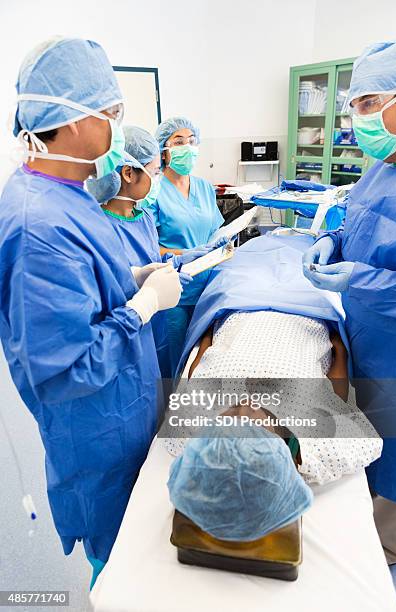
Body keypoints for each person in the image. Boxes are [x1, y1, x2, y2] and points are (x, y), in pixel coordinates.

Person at [0, 37, 183, 588]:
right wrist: (142, 308)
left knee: (141, 539)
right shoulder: (37, 223)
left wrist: (129, 281)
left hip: (123, 410)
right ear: (74, 121)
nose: (115, 128)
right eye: (111, 113)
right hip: (98, 430)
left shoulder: (68, 194)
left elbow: (81, 286)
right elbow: (67, 371)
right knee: (119, 565)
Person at [303, 40, 396, 565]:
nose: (358, 118)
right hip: (368, 337)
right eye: (354, 105)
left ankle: (385, 553)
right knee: (364, 438)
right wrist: (333, 243)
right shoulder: (381, 164)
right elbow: (359, 222)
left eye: (370, 103)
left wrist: (360, 279)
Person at [86, 125, 225, 377]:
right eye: (155, 172)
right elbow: (113, 291)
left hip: (154, 326)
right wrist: (144, 285)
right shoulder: (100, 228)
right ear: (128, 173)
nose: (157, 179)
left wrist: (180, 260)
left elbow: (151, 261)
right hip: (129, 332)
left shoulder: (142, 217)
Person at [150, 117, 225, 374]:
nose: (187, 147)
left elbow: (215, 231)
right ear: (164, 150)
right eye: (178, 142)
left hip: (210, 286)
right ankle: (172, 410)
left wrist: (222, 245)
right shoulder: (154, 190)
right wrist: (186, 255)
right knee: (175, 360)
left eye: (191, 141)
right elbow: (147, 247)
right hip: (175, 290)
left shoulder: (204, 187)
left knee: (204, 360)